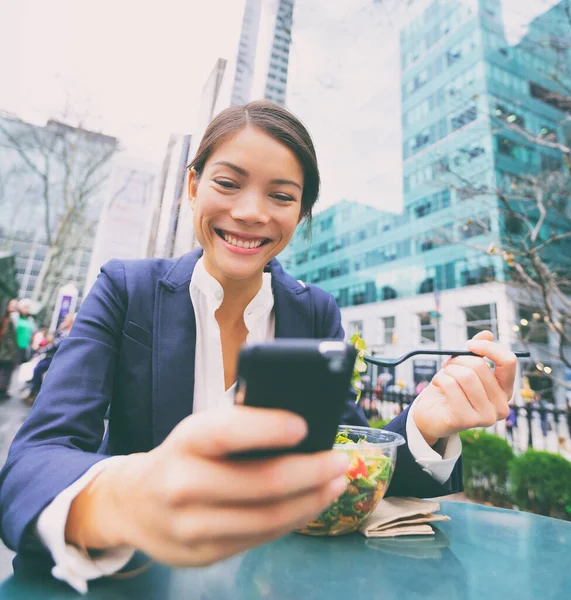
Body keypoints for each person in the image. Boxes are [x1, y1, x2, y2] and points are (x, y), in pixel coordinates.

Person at [0, 100, 518, 594]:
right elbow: (33, 463)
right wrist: (126, 501)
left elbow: (342, 464)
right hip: (134, 581)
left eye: (281, 196)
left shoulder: (314, 311)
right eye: (228, 183)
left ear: (301, 213)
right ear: (192, 186)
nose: (251, 213)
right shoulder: (125, 289)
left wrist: (427, 421)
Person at [0, 303, 18, 399]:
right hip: (6, 351)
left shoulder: (10, 318)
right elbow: (8, 337)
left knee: (5, 371)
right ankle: (2, 391)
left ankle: (3, 390)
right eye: (12, 306)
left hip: (6, 350)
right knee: (5, 371)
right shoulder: (8, 319)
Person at [14, 299, 36, 365]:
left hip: (24, 348)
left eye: (28, 307)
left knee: (18, 367)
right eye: (25, 307)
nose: (26, 309)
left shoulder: (30, 320)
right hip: (13, 347)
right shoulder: (14, 317)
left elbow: (32, 333)